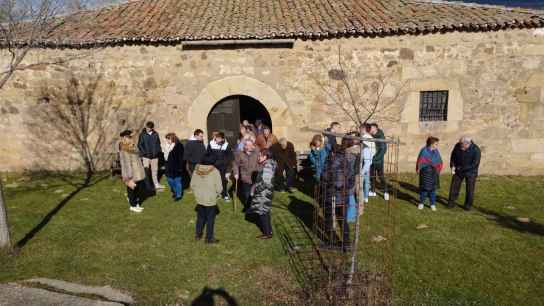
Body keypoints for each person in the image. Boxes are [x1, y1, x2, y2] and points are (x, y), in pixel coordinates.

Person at [321, 138, 358, 252]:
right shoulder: (347, 160)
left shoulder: (331, 162)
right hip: (344, 196)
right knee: (343, 220)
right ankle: (346, 243)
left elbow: (325, 177)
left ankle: (331, 242)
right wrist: (346, 189)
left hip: (332, 195)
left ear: (332, 152)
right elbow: (351, 179)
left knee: (328, 219)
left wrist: (327, 184)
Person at [190, 153, 223, 244]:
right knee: (210, 220)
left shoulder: (196, 170)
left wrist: (197, 193)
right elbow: (219, 188)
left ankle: (198, 234)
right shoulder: (215, 171)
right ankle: (209, 238)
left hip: (199, 199)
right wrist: (216, 194)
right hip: (210, 199)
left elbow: (192, 185)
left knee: (200, 217)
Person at [247, 149, 277, 239]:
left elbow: (266, 183)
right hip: (265, 192)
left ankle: (267, 233)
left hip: (263, 193)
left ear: (265, 157)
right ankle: (269, 231)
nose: (258, 157)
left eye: (260, 155)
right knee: (265, 211)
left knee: (262, 212)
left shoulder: (267, 166)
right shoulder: (268, 164)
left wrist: (257, 190)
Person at [448, 136, 481, 211]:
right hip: (458, 170)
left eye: (462, 145)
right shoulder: (457, 145)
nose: (460, 146)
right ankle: (451, 203)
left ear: (467, 144)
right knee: (454, 187)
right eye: (460, 144)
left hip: (471, 172)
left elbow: (475, 164)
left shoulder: (476, 150)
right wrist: (452, 165)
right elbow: (453, 156)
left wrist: (462, 168)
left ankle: (468, 205)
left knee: (470, 189)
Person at [119, 130, 146, 213]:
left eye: (131, 137)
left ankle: (136, 203)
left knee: (138, 188)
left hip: (138, 172)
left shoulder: (133, 147)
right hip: (131, 173)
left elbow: (138, 156)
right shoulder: (124, 149)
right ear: (124, 138)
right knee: (131, 189)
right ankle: (132, 205)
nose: (131, 138)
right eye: (129, 137)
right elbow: (126, 164)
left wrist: (133, 146)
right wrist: (129, 177)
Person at [416, 137, 443, 211]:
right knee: (424, 189)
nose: (437, 146)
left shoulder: (436, 151)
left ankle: (432, 204)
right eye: (436, 144)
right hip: (425, 172)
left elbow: (439, 161)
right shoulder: (424, 151)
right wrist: (419, 168)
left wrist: (438, 169)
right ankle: (421, 203)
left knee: (433, 190)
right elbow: (420, 161)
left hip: (434, 173)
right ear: (431, 144)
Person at [233, 139, 260, 209]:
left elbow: (257, 148)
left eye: (251, 145)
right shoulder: (240, 154)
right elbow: (235, 164)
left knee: (255, 194)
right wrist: (236, 173)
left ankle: (255, 207)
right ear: (244, 146)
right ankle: (249, 208)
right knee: (247, 194)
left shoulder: (256, 152)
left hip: (255, 177)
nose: (249, 146)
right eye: (247, 145)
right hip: (245, 178)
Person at [207, 132, 234, 202]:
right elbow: (208, 154)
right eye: (216, 138)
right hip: (213, 166)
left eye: (219, 138)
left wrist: (228, 170)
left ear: (222, 138)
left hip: (223, 167)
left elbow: (230, 157)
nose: (217, 139)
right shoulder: (211, 144)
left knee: (223, 181)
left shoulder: (226, 145)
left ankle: (224, 194)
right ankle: (215, 193)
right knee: (213, 181)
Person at [138, 121, 164, 190]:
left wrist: (157, 152)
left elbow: (158, 144)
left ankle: (156, 184)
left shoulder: (156, 134)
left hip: (154, 157)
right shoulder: (142, 135)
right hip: (146, 157)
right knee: (146, 171)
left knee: (154, 171)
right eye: (147, 127)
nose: (147, 129)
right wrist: (144, 153)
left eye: (149, 128)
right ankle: (147, 186)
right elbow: (140, 145)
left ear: (152, 128)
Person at [369, 123, 389, 200]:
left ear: (375, 128)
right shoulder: (371, 136)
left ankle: (386, 192)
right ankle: (373, 190)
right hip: (371, 160)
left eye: (371, 128)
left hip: (378, 161)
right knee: (372, 176)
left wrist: (375, 159)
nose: (370, 130)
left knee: (381, 176)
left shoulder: (380, 136)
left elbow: (383, 150)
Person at [164, 133, 184, 202]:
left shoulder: (178, 146)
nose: (167, 140)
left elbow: (181, 158)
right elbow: (166, 157)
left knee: (177, 181)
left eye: (168, 139)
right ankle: (175, 191)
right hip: (168, 166)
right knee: (170, 181)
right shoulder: (166, 146)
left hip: (176, 167)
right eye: (166, 139)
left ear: (172, 138)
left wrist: (180, 167)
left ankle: (178, 195)